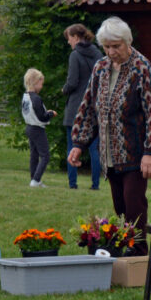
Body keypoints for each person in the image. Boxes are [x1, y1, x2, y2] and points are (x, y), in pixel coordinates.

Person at [67, 17, 151, 254]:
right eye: (107, 47)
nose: (112, 52)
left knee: (134, 205)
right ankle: (122, 248)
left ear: (127, 42)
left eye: (116, 46)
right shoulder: (100, 68)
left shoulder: (141, 68)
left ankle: (138, 251)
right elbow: (89, 107)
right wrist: (79, 143)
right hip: (109, 153)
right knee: (119, 206)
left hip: (135, 153)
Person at [62, 23, 103, 190]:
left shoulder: (75, 55)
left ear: (76, 38)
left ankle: (73, 184)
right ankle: (95, 184)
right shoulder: (98, 53)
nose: (68, 42)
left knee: (72, 146)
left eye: (69, 38)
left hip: (76, 106)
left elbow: (72, 81)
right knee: (95, 148)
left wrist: (64, 89)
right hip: (94, 105)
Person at [22, 68, 56, 188]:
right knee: (45, 155)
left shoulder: (25, 96)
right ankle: (36, 180)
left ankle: (33, 179)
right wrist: (50, 114)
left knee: (34, 155)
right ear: (35, 82)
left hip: (29, 127)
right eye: (41, 83)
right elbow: (42, 117)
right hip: (37, 128)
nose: (41, 86)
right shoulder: (36, 98)